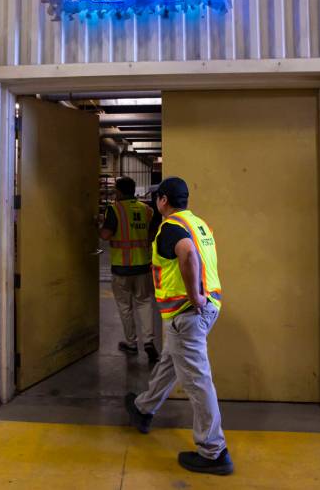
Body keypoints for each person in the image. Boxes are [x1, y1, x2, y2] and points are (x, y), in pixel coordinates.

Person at [124, 177, 233, 476]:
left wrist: (193, 295)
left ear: (163, 200)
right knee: (170, 361)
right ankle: (144, 409)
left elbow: (187, 254)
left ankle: (214, 451)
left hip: (187, 313)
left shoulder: (171, 228)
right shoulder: (199, 224)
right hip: (205, 310)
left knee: (198, 381)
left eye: (156, 198)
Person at [99, 176, 159, 363]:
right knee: (145, 302)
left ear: (119, 191)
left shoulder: (114, 210)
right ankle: (149, 342)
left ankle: (132, 343)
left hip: (122, 268)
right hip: (142, 266)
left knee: (125, 307)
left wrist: (97, 225)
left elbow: (106, 235)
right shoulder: (146, 210)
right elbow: (151, 236)